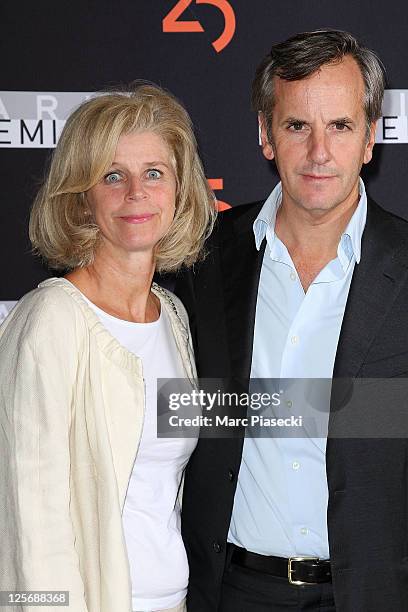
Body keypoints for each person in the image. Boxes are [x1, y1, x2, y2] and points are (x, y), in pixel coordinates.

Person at [175, 30, 408, 611]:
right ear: (265, 135)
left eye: (341, 126)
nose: (319, 152)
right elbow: (171, 408)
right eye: (297, 126)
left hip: (375, 594)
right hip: (233, 590)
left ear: (371, 138)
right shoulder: (202, 258)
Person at [0, 83, 216, 612]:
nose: (136, 193)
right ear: (82, 197)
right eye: (112, 176)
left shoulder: (174, 319)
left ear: (179, 191)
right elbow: (30, 519)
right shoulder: (52, 319)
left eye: (154, 174)